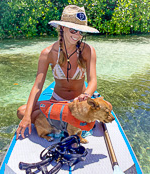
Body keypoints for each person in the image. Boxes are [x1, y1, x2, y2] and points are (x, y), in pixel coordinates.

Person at [16, 5, 99, 139]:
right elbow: (38, 86)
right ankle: (68, 122)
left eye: (80, 32)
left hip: (79, 102)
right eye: (73, 30)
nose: (77, 35)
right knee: (22, 111)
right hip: (57, 101)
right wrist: (26, 118)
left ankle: (59, 124)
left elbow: (93, 81)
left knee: (107, 109)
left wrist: (86, 94)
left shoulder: (88, 50)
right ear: (63, 28)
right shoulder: (47, 53)